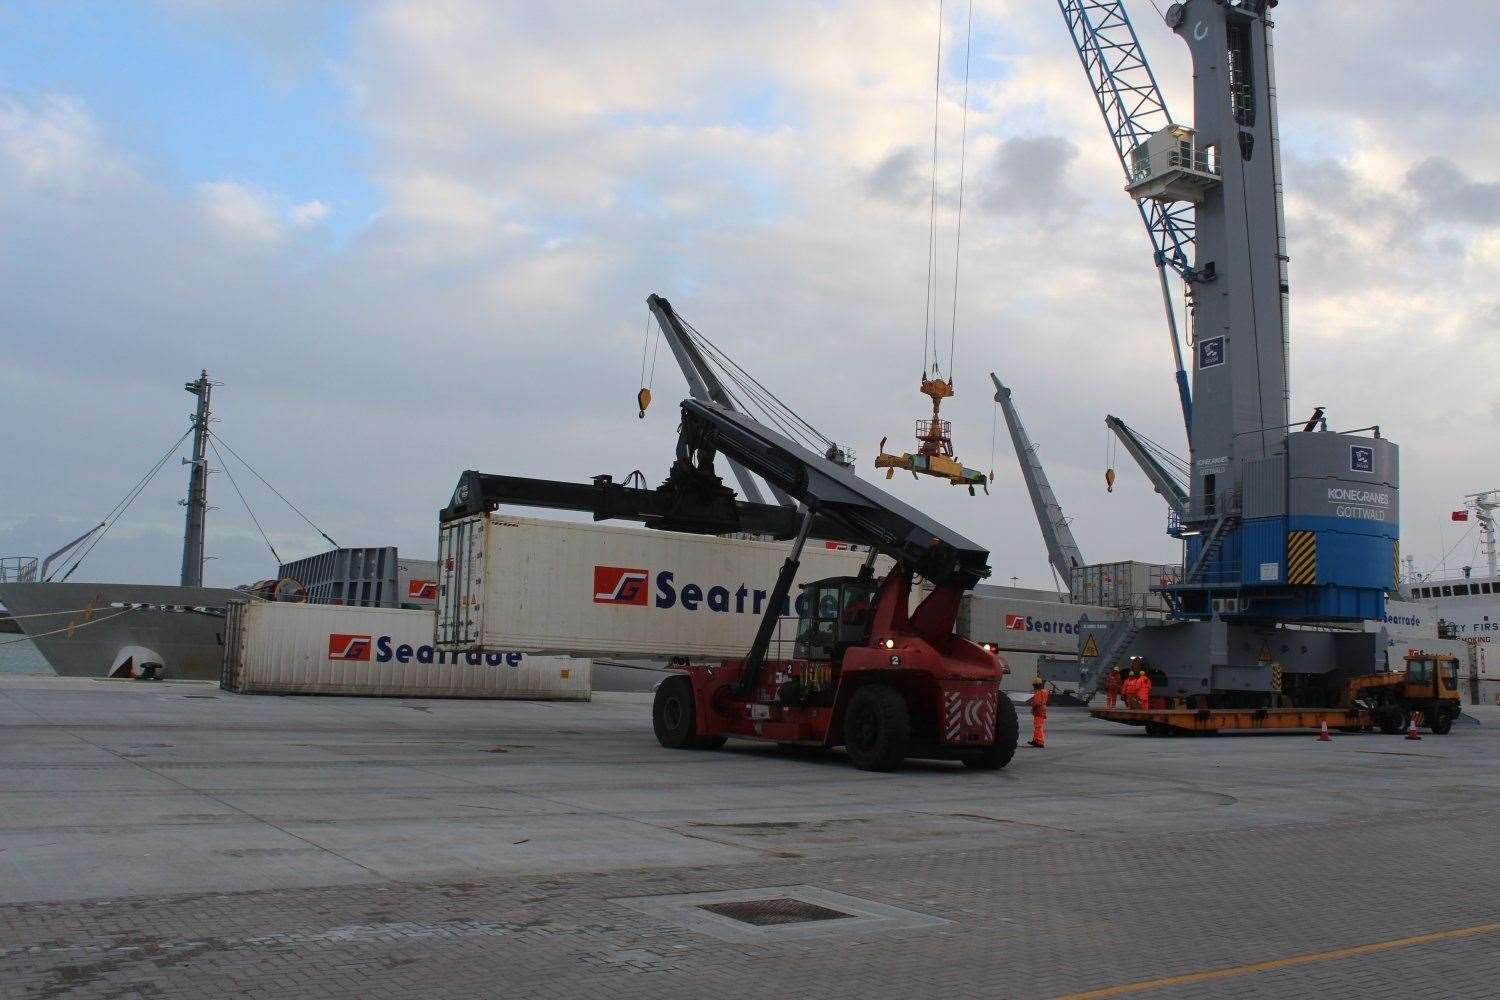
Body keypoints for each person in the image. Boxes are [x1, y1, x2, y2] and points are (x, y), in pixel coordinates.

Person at [1027, 676, 1049, 748]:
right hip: (1041, 711)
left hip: (1038, 711)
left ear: (1036, 685)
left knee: (1038, 727)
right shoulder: (1044, 692)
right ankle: (1036, 740)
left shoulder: (1038, 693)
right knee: (1037, 726)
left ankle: (1039, 741)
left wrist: (1031, 703)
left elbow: (1037, 702)